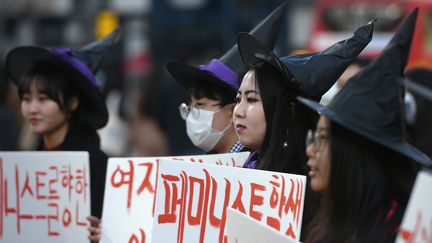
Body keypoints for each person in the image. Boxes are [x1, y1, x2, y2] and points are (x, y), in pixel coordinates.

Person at [298, 9, 432, 242]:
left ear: (355, 151)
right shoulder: (328, 226)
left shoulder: (403, 233)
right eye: (315, 137)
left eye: (322, 138)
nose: (310, 150)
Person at [233, 20, 374, 238]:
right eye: (238, 98)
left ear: (288, 112)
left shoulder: (310, 192)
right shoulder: (239, 168)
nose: (238, 111)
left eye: (251, 99)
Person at [5, 29, 119, 241]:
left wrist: (103, 233)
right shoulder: (24, 163)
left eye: (43, 99)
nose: (32, 108)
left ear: (72, 103)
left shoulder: (95, 162)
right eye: (27, 98)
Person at [167, 3, 286, 154]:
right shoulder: (200, 165)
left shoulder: (256, 166)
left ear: (231, 111)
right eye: (189, 107)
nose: (192, 116)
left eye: (200, 105)